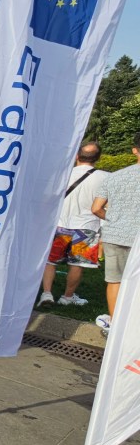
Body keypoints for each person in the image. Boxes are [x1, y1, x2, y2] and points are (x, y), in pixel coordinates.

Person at [37, 143, 108, 308]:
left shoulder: (62, 174)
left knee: (50, 261)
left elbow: (47, 200)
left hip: (59, 225)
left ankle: (46, 293)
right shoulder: (105, 177)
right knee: (77, 264)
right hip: (87, 226)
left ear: (77, 156)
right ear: (98, 158)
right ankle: (67, 297)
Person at [91, 132, 140, 331]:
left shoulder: (115, 177)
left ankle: (116, 325)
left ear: (134, 150)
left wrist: (113, 219)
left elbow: (96, 208)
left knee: (115, 281)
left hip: (115, 235)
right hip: (137, 237)